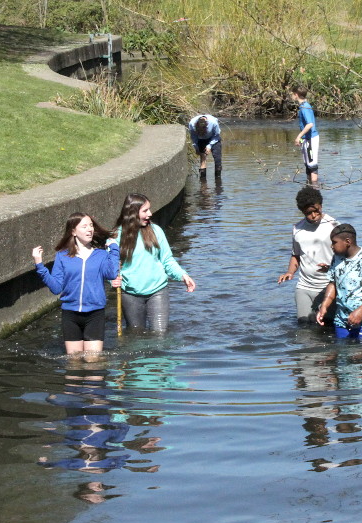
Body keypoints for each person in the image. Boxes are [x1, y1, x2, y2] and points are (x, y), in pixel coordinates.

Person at [32, 213, 120, 354]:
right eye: (84, 226)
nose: (89, 229)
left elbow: (111, 273)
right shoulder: (62, 256)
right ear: (73, 231)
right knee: (74, 364)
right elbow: (56, 288)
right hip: (70, 314)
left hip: (95, 313)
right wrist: (40, 266)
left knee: (93, 363)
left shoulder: (101, 255)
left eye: (91, 226)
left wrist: (114, 250)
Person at [111, 193, 196, 332]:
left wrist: (183, 275)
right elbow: (110, 267)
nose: (150, 214)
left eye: (149, 209)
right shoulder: (116, 236)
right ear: (132, 213)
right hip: (130, 293)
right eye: (145, 211)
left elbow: (167, 260)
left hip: (158, 290)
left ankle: (159, 355)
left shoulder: (156, 231)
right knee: (136, 334)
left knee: (160, 333)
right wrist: (112, 280)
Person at [277, 186, 339, 324]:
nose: (313, 215)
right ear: (302, 212)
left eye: (316, 211)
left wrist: (330, 267)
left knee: (327, 328)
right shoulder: (297, 229)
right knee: (304, 327)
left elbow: (343, 257)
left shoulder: (334, 226)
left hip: (328, 287)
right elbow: (296, 255)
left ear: (321, 206)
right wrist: (290, 272)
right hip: (304, 287)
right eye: (308, 213)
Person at [316, 224, 362, 339]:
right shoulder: (337, 258)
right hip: (342, 319)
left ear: (347, 241)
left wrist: (361, 311)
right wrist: (325, 305)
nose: (331, 246)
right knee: (343, 353)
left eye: (334, 242)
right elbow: (333, 283)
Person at [291, 85, 319, 185]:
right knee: (307, 165)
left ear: (296, 94)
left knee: (312, 165)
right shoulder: (303, 106)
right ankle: (309, 186)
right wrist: (302, 138)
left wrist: (298, 136)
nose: (291, 96)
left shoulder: (305, 107)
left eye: (292, 94)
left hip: (311, 139)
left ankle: (315, 188)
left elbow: (310, 124)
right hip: (306, 139)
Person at [188, 114, 222, 180]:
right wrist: (196, 147)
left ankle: (218, 183)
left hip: (214, 138)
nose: (201, 131)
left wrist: (209, 146)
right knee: (203, 159)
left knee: (217, 159)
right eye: (199, 129)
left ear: (206, 125)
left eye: (202, 129)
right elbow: (193, 136)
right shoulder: (192, 124)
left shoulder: (213, 123)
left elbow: (217, 135)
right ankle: (203, 184)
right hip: (200, 140)